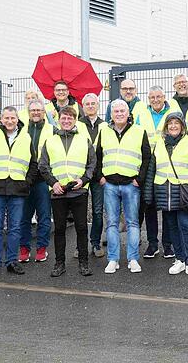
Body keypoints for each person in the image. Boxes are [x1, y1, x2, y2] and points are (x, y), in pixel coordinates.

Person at [144, 112, 188, 278]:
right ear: (166, 126)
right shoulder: (160, 144)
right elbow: (152, 169)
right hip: (164, 192)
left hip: (185, 192)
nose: (173, 126)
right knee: (171, 227)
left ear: (182, 126)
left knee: (185, 226)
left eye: (176, 123)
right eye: (170, 123)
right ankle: (179, 259)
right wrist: (148, 194)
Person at [0, 106, 37, 278]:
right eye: (6, 118)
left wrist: (27, 182)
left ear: (17, 119)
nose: (10, 121)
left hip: (18, 188)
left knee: (15, 228)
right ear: (1, 119)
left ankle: (12, 261)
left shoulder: (26, 137)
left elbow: (33, 163)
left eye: (13, 118)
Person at [39, 106, 96, 277]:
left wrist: (83, 180)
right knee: (60, 229)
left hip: (79, 190)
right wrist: (53, 183)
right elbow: (43, 165)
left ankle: (83, 263)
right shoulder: (50, 141)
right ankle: (59, 263)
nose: (66, 121)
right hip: (58, 191)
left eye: (70, 118)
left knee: (81, 228)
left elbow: (92, 163)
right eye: (63, 118)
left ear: (75, 120)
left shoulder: (84, 140)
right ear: (59, 120)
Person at [96, 99, 151, 274]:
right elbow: (96, 156)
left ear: (128, 113)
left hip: (131, 184)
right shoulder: (104, 131)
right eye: (116, 111)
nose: (119, 114)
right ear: (111, 114)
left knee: (133, 223)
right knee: (111, 223)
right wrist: (100, 177)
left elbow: (146, 157)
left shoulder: (139, 131)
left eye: (122, 111)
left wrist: (139, 179)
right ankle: (113, 259)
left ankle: (133, 258)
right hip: (110, 184)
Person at [132, 85, 174, 258]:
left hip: (167, 164)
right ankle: (152, 244)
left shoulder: (171, 114)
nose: (155, 100)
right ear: (148, 99)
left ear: (164, 97)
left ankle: (168, 245)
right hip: (147, 165)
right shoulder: (141, 115)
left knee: (167, 206)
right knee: (149, 205)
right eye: (152, 98)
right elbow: (134, 138)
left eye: (158, 97)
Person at [19, 99, 54, 263]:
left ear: (43, 112)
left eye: (39, 110)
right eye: (33, 110)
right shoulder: (21, 130)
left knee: (44, 216)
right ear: (28, 111)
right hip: (24, 179)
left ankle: (41, 248)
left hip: (42, 179)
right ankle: (24, 248)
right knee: (23, 217)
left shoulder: (52, 130)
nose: (36, 113)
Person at [78, 93, 106, 257]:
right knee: (79, 213)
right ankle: (79, 246)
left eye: (93, 103)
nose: (90, 106)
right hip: (81, 176)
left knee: (97, 211)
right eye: (87, 104)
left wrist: (100, 175)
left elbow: (106, 153)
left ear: (98, 105)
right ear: (83, 106)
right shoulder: (78, 125)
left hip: (98, 176)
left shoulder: (105, 125)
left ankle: (95, 243)